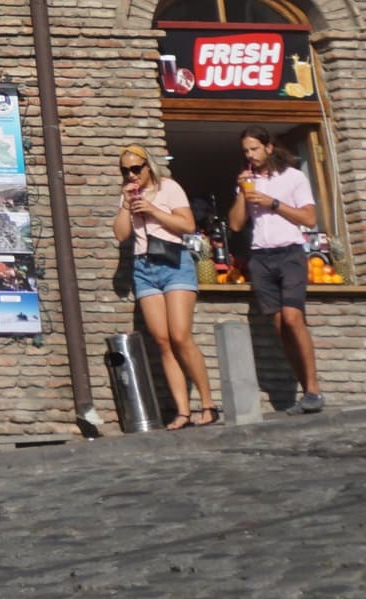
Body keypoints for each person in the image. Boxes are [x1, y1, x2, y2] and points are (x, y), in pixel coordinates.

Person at [115, 146, 211, 428]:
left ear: (148, 167)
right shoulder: (128, 196)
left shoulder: (169, 188)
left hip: (173, 262)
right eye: (125, 171)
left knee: (180, 336)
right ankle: (182, 411)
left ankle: (207, 404)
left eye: (136, 168)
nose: (131, 175)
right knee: (163, 341)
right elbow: (122, 234)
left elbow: (187, 224)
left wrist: (153, 210)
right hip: (144, 267)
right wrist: (125, 205)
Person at [230, 127, 323, 414]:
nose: (250, 155)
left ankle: (313, 390)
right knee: (281, 326)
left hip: (290, 252)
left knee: (294, 319)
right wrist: (244, 195)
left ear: (269, 147)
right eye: (246, 151)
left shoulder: (293, 177)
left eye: (255, 149)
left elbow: (308, 218)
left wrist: (272, 203)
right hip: (261, 256)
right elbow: (235, 224)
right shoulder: (248, 181)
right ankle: (304, 390)